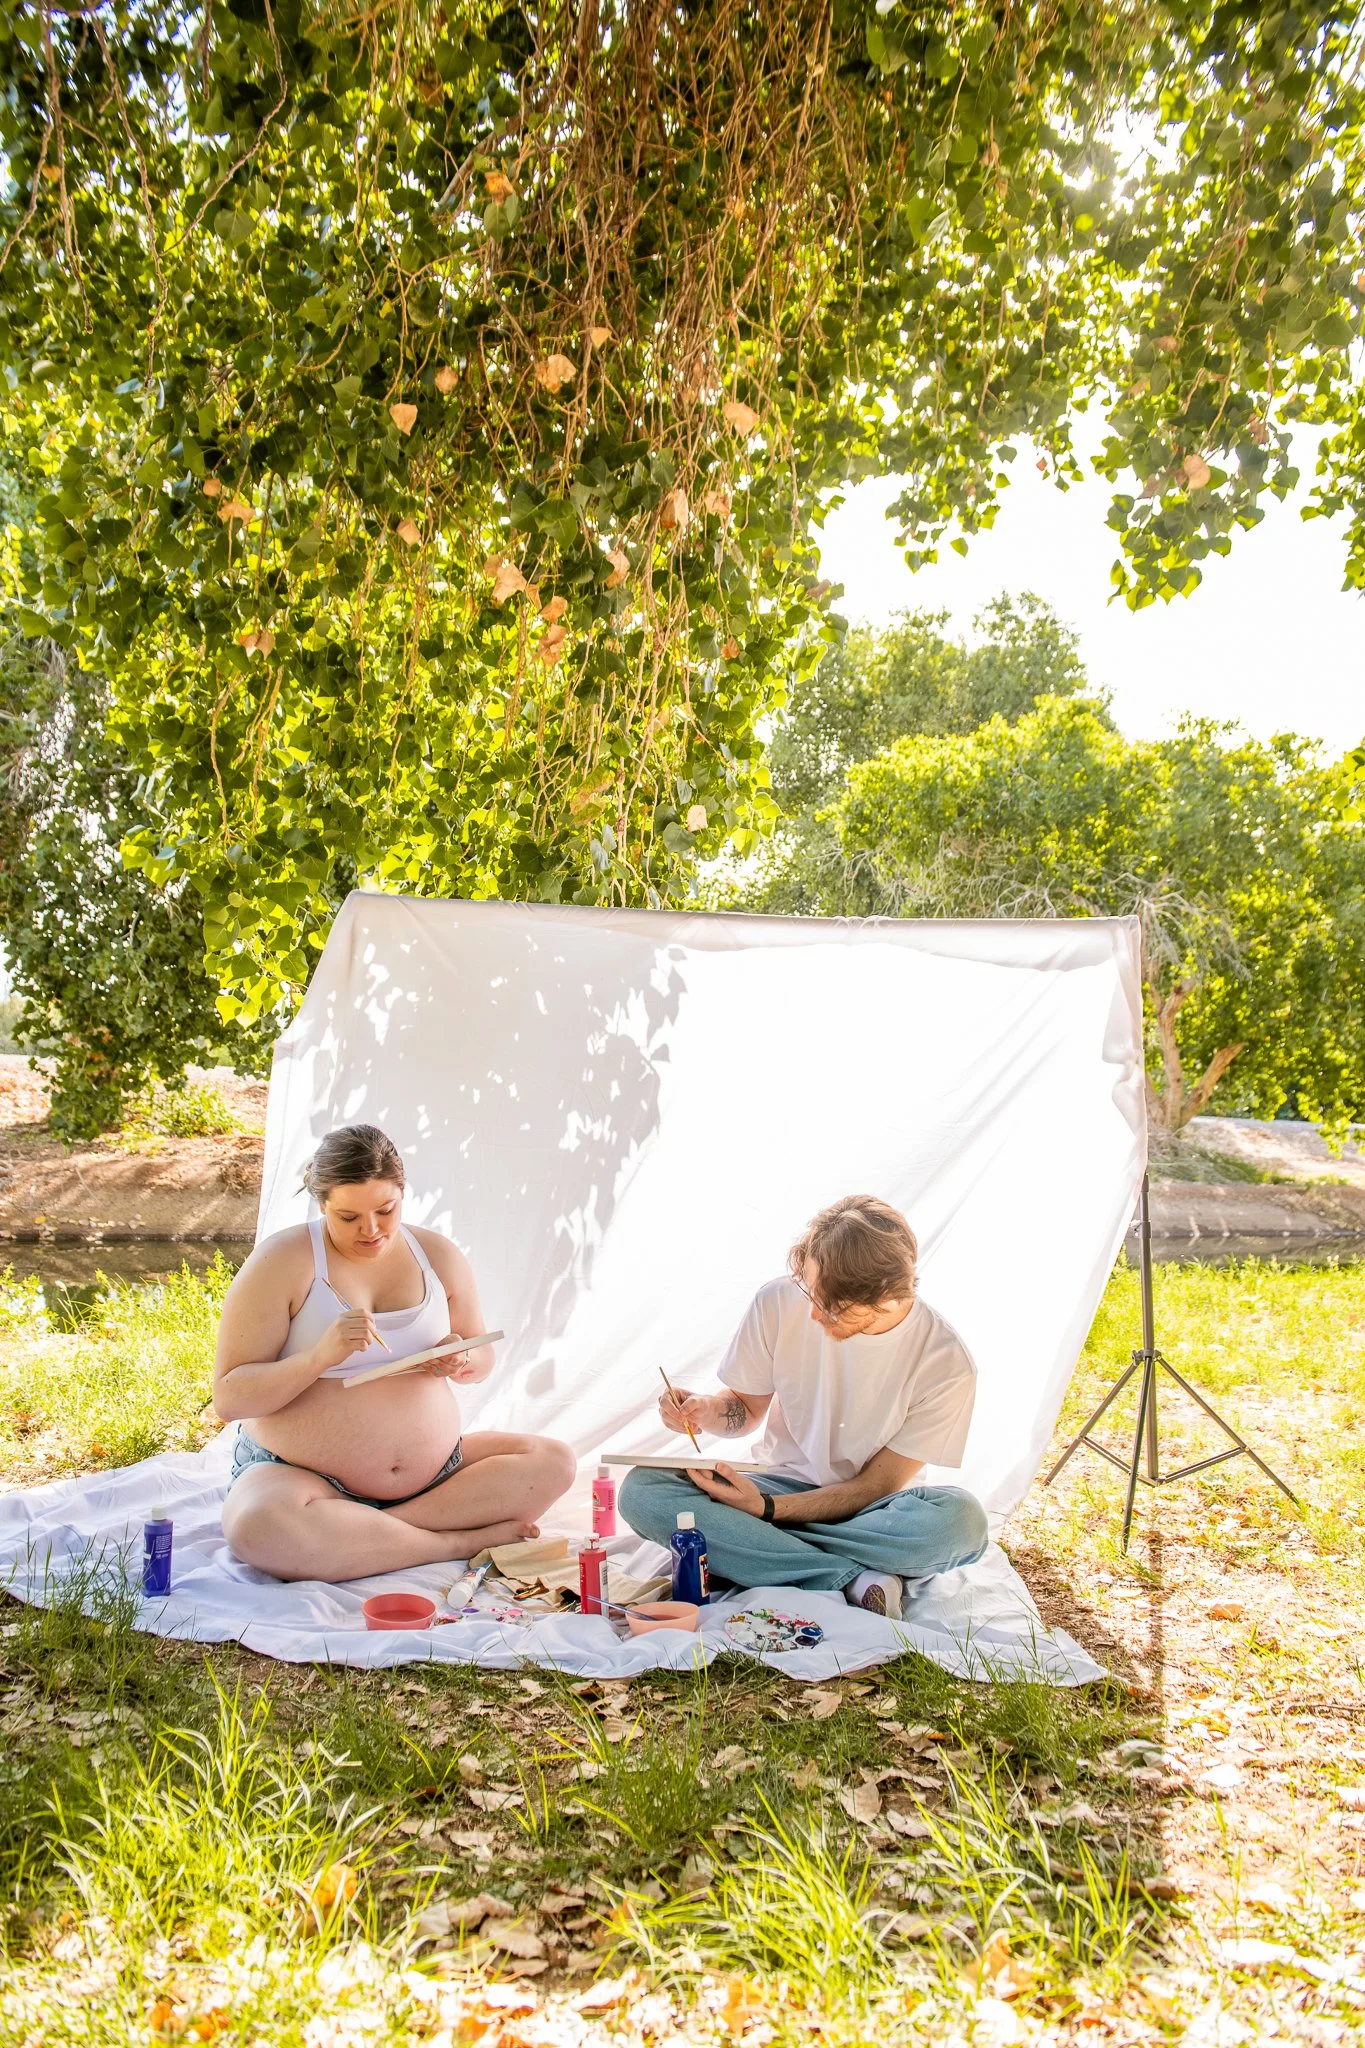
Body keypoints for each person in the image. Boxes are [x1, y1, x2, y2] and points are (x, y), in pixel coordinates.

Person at [215, 1123, 575, 1582]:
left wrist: (459, 1358)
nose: (370, 1230)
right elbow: (230, 1398)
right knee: (258, 1526)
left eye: (386, 1210)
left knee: (553, 1462)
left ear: (402, 1193)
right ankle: (453, 1542)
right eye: (348, 1217)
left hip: (434, 1479)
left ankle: (366, 1535)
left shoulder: (437, 1255)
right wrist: (320, 1356)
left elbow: (481, 1357)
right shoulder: (282, 1260)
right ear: (321, 1203)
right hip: (303, 1478)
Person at [618, 1194, 988, 1617]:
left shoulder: (946, 1363)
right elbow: (744, 1409)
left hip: (870, 1512)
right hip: (775, 1483)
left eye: (830, 1304)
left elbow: (876, 1485)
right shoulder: (777, 1302)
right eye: (810, 1290)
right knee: (642, 1490)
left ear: (884, 1296)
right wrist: (705, 1409)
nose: (813, 1313)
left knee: (962, 1522)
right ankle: (850, 1578)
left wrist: (765, 1512)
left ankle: (753, 1551)